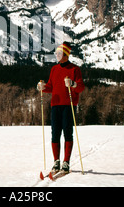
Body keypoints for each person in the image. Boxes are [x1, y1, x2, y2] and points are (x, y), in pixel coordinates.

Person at [37, 41, 85, 173]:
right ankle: (56, 161)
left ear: (66, 55)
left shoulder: (75, 69)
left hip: (69, 105)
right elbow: (51, 86)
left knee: (67, 133)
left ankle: (66, 162)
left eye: (59, 53)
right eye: (56, 53)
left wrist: (73, 84)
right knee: (55, 134)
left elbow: (81, 87)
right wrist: (43, 87)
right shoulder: (54, 69)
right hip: (55, 105)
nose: (57, 55)